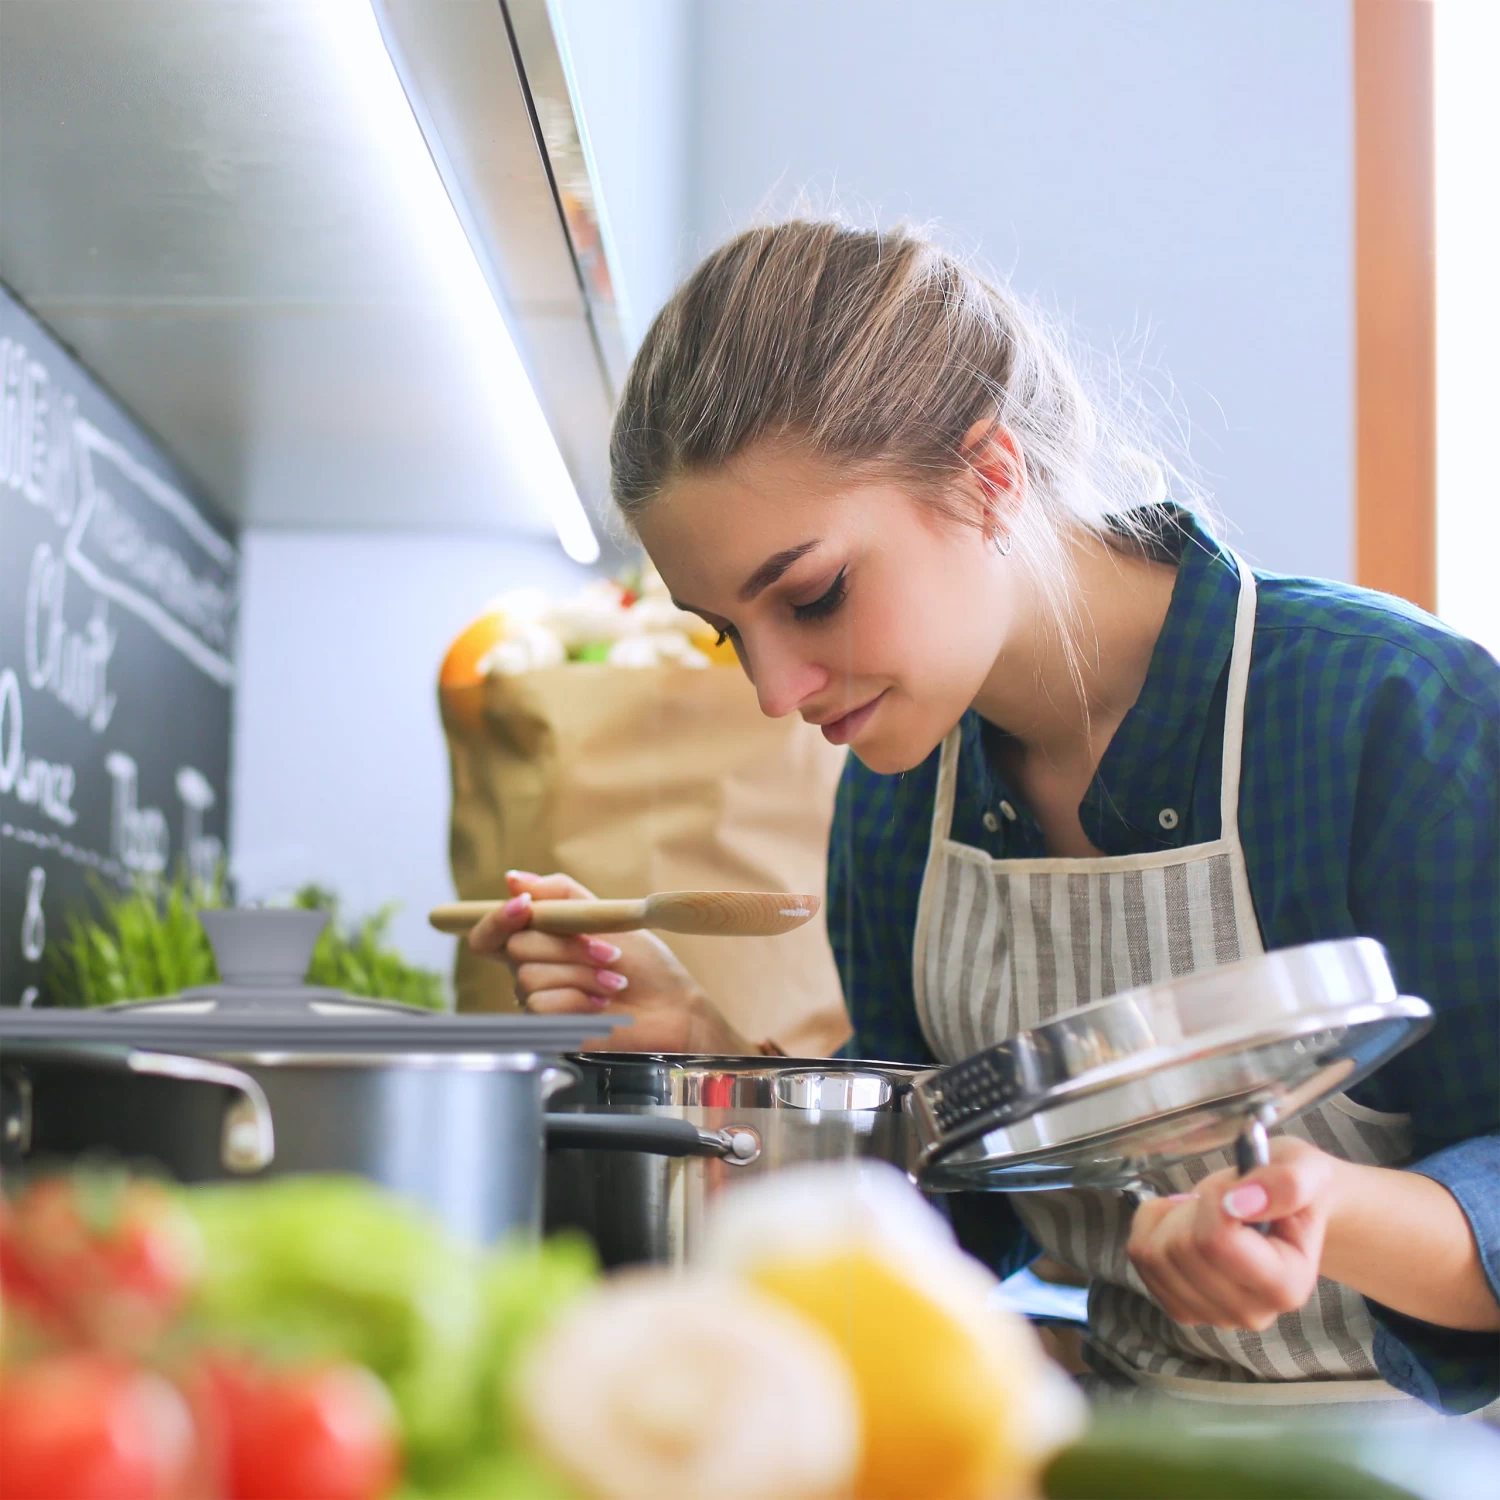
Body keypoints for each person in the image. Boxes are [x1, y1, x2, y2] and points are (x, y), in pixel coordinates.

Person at [470, 220, 1499, 1415]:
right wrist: (711, 1067)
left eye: (812, 595)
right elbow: (943, 1225)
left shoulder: (1389, 713)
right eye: (727, 632)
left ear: (989, 476)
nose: (773, 690)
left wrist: (1321, 1211)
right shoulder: (901, 803)